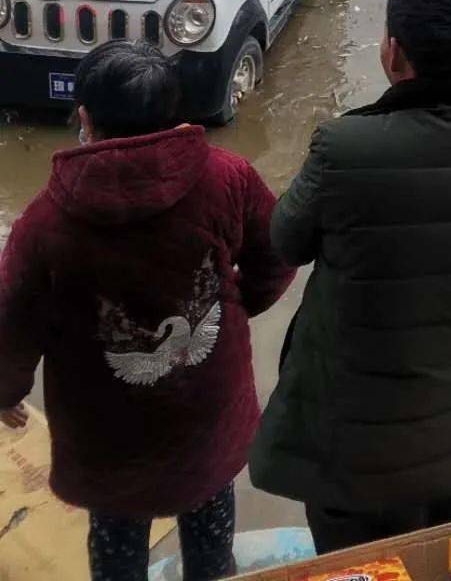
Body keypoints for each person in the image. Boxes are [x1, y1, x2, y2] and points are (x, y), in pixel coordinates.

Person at [251, 0, 451, 553]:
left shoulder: (345, 146)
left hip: (357, 448)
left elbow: (284, 240)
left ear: (391, 51)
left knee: (362, 565)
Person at [0, 40, 294, 581]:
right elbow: (276, 256)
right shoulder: (229, 177)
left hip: (107, 432)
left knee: (116, 544)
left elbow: (12, 325)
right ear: (174, 115)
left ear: (84, 117)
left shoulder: (45, 223)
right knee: (210, 538)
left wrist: (5, 393)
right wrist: (233, 310)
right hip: (206, 409)